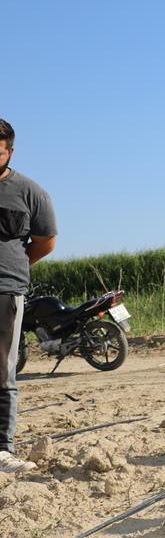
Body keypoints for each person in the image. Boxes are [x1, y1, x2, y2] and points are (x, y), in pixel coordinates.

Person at [0, 118, 57, 474]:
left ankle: (1, 451)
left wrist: (15, 267)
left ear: (9, 151)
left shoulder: (30, 192)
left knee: (2, 372)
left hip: (5, 291)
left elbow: (45, 242)